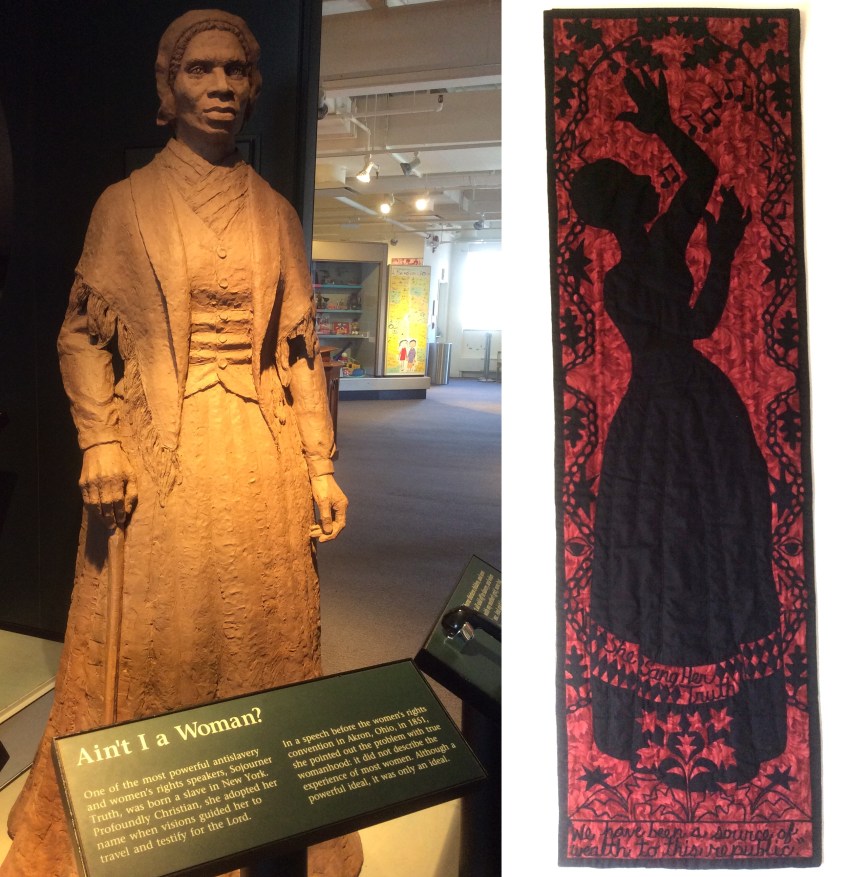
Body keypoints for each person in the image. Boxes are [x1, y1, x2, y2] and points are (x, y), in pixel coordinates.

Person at [1, 11, 362, 876]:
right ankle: (144, 822)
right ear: (168, 90)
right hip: (155, 458)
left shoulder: (275, 213)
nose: (221, 88)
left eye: (235, 72)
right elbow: (81, 336)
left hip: (257, 456)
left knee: (260, 641)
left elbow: (302, 353)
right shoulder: (124, 207)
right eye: (200, 71)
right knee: (161, 640)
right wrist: (99, 443)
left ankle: (261, 824)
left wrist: (320, 464)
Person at [570, 70, 786, 786]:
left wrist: (663, 122)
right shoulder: (628, 278)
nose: (646, 184)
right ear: (620, 205)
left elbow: (702, 170)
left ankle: (721, 723)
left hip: (675, 411)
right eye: (631, 181)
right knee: (674, 545)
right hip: (680, 411)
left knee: (699, 542)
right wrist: (722, 253)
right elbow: (697, 324)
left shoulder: (653, 249)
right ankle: (674, 725)